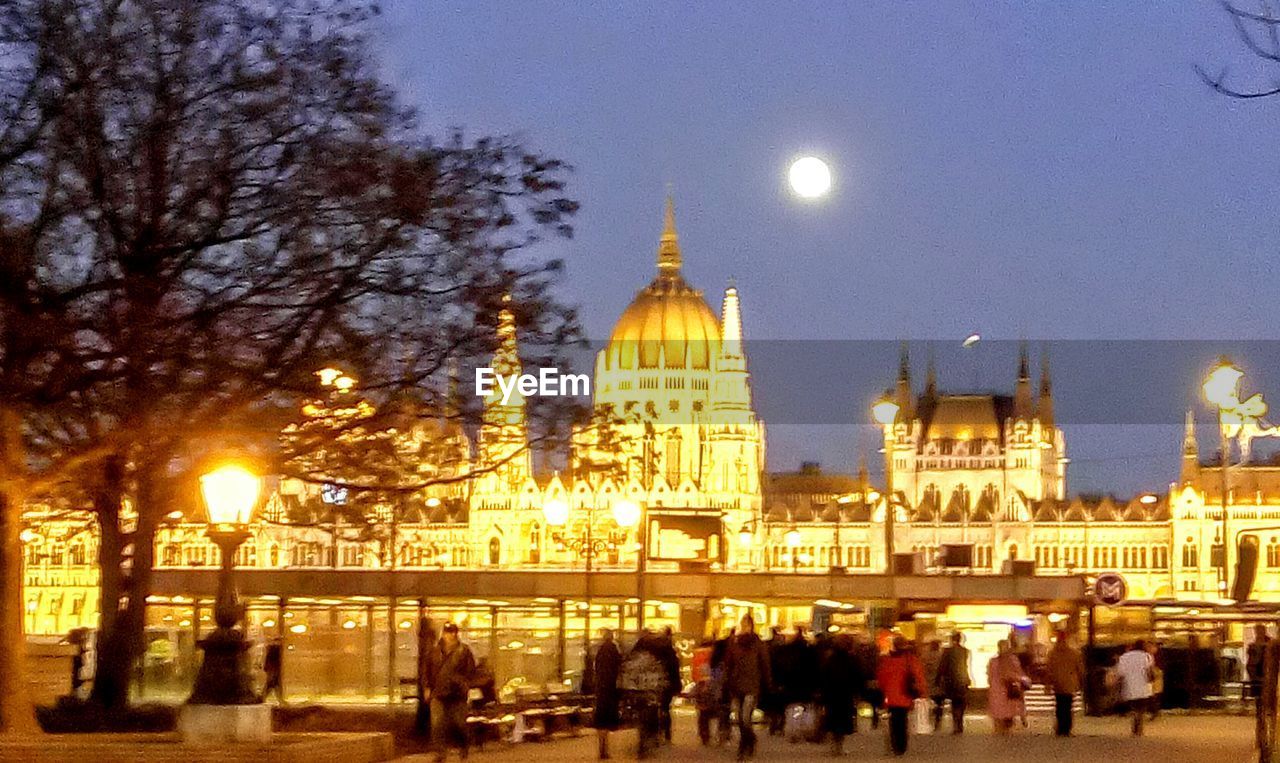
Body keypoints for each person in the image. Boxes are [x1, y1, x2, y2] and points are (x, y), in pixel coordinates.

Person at [425, 622, 476, 761]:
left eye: (454, 632)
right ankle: (440, 752)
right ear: (444, 633)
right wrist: (428, 687)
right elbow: (428, 670)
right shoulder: (435, 651)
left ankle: (463, 744)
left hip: (457, 694)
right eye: (449, 632)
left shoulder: (464, 651)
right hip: (439, 693)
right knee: (437, 724)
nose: (452, 635)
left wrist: (464, 683)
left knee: (459, 724)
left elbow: (471, 671)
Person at [724, 614, 772, 761]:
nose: (744, 627)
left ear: (751, 626)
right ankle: (748, 741)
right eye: (742, 624)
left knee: (745, 717)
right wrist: (727, 681)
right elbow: (728, 664)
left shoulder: (758, 644)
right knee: (739, 718)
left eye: (747, 624)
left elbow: (764, 665)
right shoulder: (734, 643)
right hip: (736, 685)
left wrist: (767, 684)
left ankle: (744, 745)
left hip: (752, 685)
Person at [876, 634, 926, 757]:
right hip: (906, 695)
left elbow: (881, 678)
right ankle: (902, 745)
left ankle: (896, 745)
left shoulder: (887, 660)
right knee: (903, 720)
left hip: (891, 695)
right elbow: (918, 676)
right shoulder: (911, 660)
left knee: (894, 721)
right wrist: (922, 692)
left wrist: (883, 691)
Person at [819, 633, 861, 756]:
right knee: (842, 722)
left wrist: (822, 692)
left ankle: (834, 747)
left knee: (833, 721)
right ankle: (839, 747)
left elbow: (824, 676)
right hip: (845, 694)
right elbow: (857, 677)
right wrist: (857, 692)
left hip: (832, 694)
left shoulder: (830, 658)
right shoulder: (851, 659)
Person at [1046, 632, 1085, 737]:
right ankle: (1066, 729)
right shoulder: (1073, 653)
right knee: (1067, 706)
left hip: (1057, 683)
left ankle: (1060, 728)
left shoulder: (1052, 654)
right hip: (1069, 683)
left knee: (1059, 706)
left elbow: (1049, 670)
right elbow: (1080, 669)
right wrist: (1081, 683)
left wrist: (1048, 685)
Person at [986, 640, 1028, 734]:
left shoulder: (993, 661)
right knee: (1007, 719)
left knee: (999, 721)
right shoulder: (1012, 660)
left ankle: (1000, 736)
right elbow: (1017, 674)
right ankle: (1006, 735)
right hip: (1008, 693)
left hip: (997, 694)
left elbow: (989, 676)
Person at [593, 628, 623, 760]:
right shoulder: (613, 650)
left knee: (601, 722)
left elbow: (596, 668)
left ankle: (602, 748)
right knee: (606, 722)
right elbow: (618, 667)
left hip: (601, 689)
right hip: (610, 690)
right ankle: (604, 749)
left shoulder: (600, 651)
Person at [1116, 639, 1154, 737]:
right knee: (1141, 708)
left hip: (1129, 685)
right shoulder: (1147, 656)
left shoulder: (1124, 657)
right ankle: (1139, 729)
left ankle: (1135, 727)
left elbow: (1120, 672)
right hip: (1143, 685)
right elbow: (1149, 671)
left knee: (1134, 707)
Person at [936, 633, 971, 734]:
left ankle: (956, 724)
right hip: (962, 679)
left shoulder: (947, 651)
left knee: (955, 702)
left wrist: (938, 678)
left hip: (951, 680)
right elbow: (965, 666)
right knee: (961, 702)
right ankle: (959, 722)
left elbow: (943, 666)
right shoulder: (965, 651)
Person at [655, 626, 681, 744]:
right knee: (665, 708)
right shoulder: (670, 650)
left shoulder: (655, 648)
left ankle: (658, 734)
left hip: (655, 682)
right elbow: (674, 669)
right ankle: (666, 735)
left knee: (658, 708)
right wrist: (677, 685)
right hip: (667, 682)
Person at [919, 639, 944, 732]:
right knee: (939, 701)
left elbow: (922, 668)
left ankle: (931, 718)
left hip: (928, 682)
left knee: (929, 701)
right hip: (939, 683)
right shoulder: (941, 656)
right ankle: (937, 719)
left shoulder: (925, 656)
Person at [262, 637, 284, 703]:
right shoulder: (275, 649)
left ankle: (263, 698)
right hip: (274, 670)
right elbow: (272, 660)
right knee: (273, 684)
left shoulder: (271, 648)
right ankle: (280, 699)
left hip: (273, 669)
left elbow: (268, 660)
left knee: (273, 684)